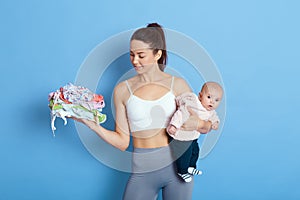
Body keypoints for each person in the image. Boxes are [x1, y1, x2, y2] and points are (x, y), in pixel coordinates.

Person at [72, 23, 212, 200]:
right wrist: (92, 125)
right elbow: (123, 142)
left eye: (141, 55)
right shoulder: (122, 90)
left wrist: (197, 122)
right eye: (132, 54)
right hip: (142, 173)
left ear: (157, 54)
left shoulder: (177, 85)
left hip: (177, 170)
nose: (134, 60)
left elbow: (203, 126)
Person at [167, 82, 224, 182]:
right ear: (200, 96)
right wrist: (174, 125)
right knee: (184, 155)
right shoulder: (193, 105)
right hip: (181, 136)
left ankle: (191, 167)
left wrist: (215, 123)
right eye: (209, 97)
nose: (212, 102)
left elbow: (214, 118)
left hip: (192, 137)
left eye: (216, 100)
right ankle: (182, 171)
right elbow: (180, 113)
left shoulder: (210, 111)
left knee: (195, 152)